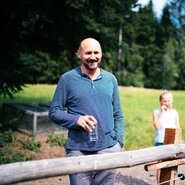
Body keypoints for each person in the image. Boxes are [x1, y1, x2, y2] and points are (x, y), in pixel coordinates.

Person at [49, 38, 124, 185]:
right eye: (88, 53)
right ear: (79, 54)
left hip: (108, 149)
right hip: (78, 150)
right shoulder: (67, 79)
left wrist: (118, 143)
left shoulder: (111, 79)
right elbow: (54, 111)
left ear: (101, 54)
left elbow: (118, 114)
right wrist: (76, 120)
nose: (93, 57)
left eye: (96, 52)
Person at [152, 90, 180, 183]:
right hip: (160, 141)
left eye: (168, 101)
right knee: (160, 165)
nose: (167, 103)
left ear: (172, 101)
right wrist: (163, 113)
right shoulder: (156, 112)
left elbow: (178, 127)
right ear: (160, 101)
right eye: (164, 101)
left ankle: (170, 183)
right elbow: (157, 126)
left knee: (171, 165)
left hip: (173, 142)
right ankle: (159, 183)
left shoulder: (174, 112)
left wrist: (179, 141)